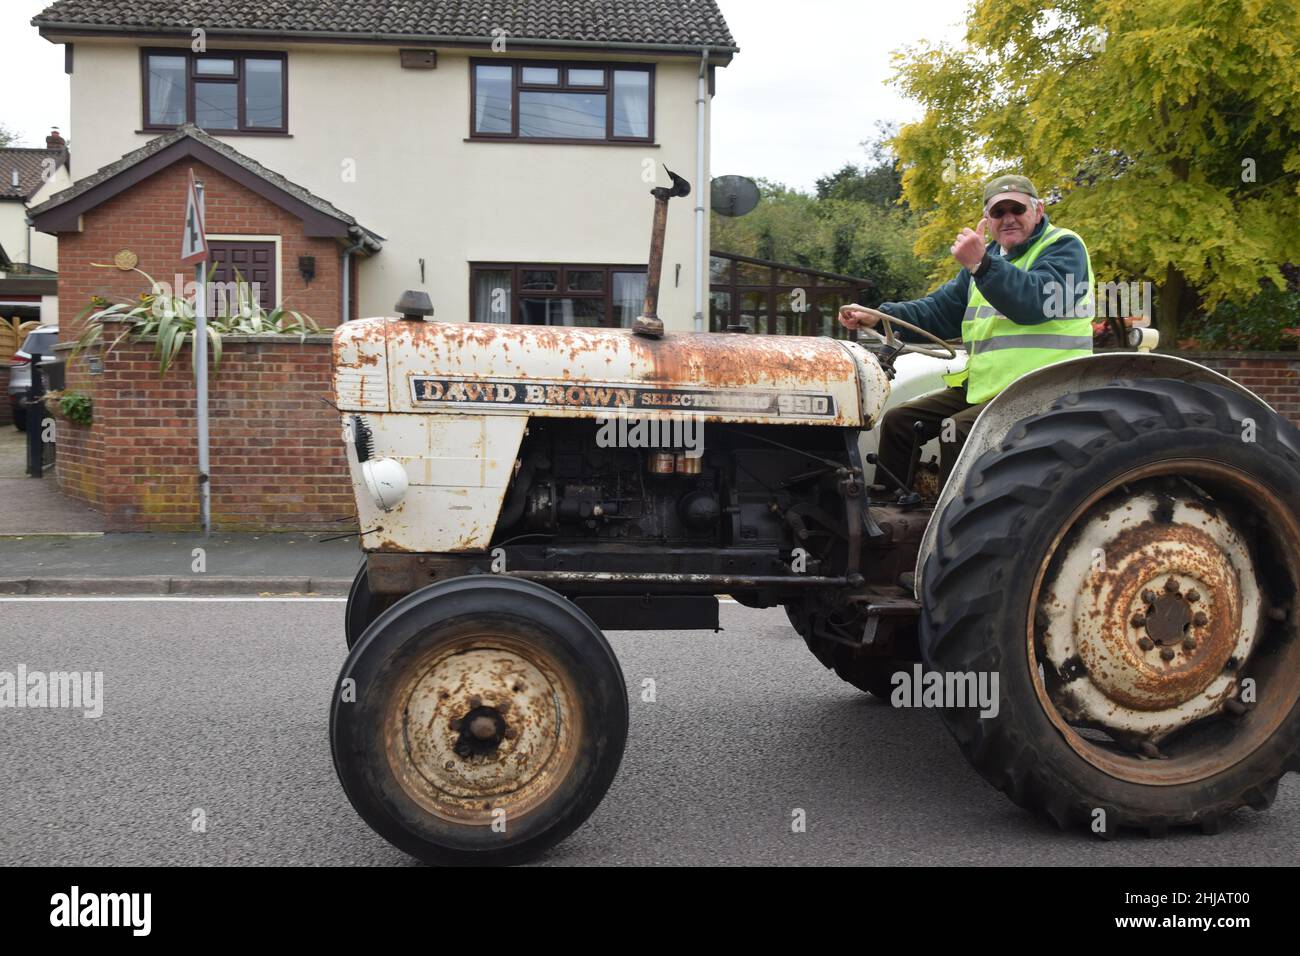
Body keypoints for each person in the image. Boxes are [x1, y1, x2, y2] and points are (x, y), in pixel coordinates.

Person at [839, 174, 1095, 492]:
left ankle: (951, 529)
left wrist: (981, 264)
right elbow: (936, 311)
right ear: (987, 220)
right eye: (998, 212)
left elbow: (1034, 302)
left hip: (1045, 387)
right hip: (990, 388)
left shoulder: (1063, 247)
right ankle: (891, 515)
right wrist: (878, 318)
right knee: (899, 421)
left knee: (956, 429)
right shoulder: (983, 265)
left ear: (1038, 210)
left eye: (1017, 209)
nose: (1008, 218)